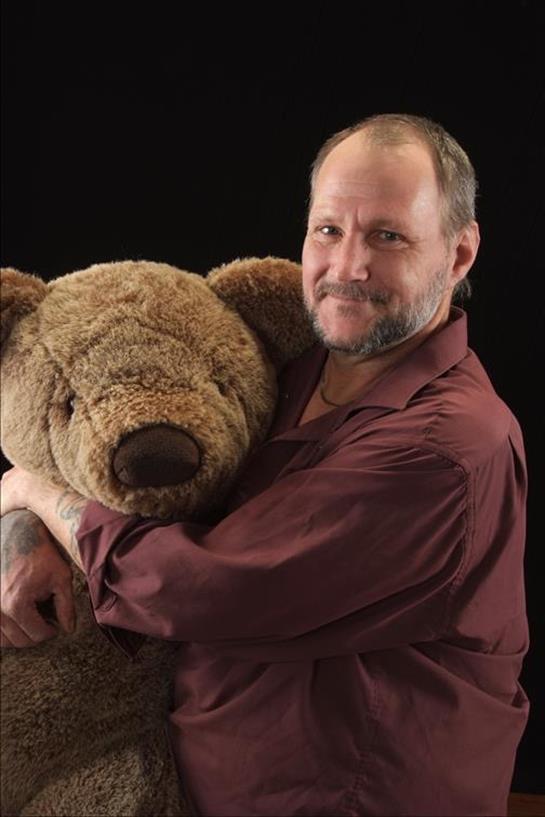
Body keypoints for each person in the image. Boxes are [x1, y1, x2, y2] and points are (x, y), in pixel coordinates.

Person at [1, 114, 529, 816]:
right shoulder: (289, 370)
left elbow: (200, 589)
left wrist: (33, 490)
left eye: (388, 236)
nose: (347, 267)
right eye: (328, 229)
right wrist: (23, 525)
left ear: (458, 253)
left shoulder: (445, 448)